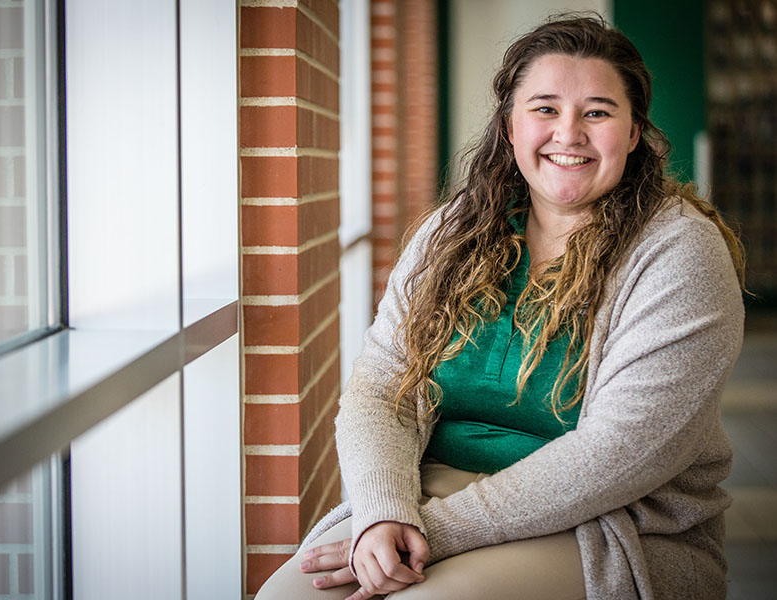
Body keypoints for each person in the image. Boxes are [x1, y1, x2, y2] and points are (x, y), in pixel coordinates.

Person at [256, 13, 745, 600]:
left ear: (634, 131)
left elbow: (621, 454)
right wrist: (382, 511)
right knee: (284, 597)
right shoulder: (455, 230)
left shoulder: (678, 250)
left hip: (610, 520)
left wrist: (429, 530)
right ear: (510, 126)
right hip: (430, 495)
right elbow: (382, 389)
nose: (569, 133)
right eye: (544, 108)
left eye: (597, 111)